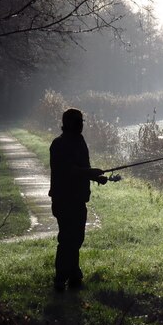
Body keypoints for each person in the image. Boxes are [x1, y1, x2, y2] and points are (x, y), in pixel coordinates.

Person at [49, 108, 107, 291]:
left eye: (82, 121)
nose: (81, 124)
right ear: (67, 123)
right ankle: (61, 278)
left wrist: (95, 177)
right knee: (67, 238)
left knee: (77, 238)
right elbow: (69, 170)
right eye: (77, 121)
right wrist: (91, 172)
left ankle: (74, 274)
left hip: (79, 199)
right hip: (64, 199)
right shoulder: (58, 144)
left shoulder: (80, 141)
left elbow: (81, 169)